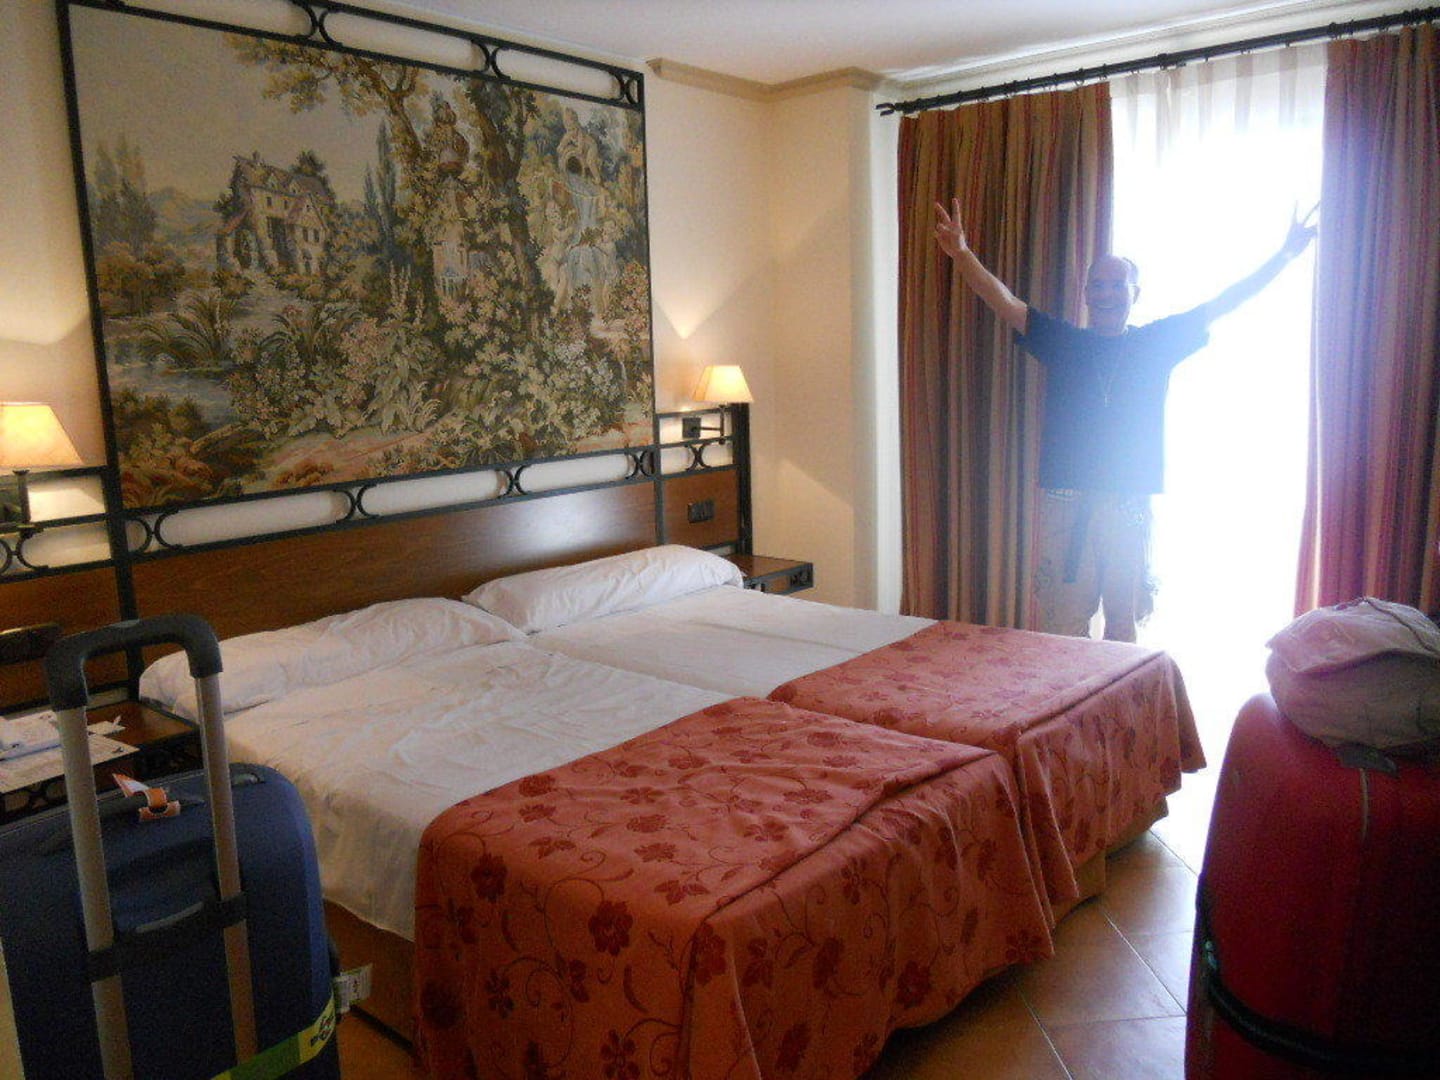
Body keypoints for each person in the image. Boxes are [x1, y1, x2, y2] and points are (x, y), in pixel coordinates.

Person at [933, 197, 1317, 641]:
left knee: (1123, 620)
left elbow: (1224, 302)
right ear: (1086, 294)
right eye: (1097, 285)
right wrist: (962, 253)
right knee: (1064, 623)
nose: (1106, 294)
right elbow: (1004, 302)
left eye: (1118, 285)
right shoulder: (1065, 342)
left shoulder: (1156, 342)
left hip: (1128, 502)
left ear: (1135, 292)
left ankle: (1119, 689)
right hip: (1066, 501)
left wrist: (1284, 256)